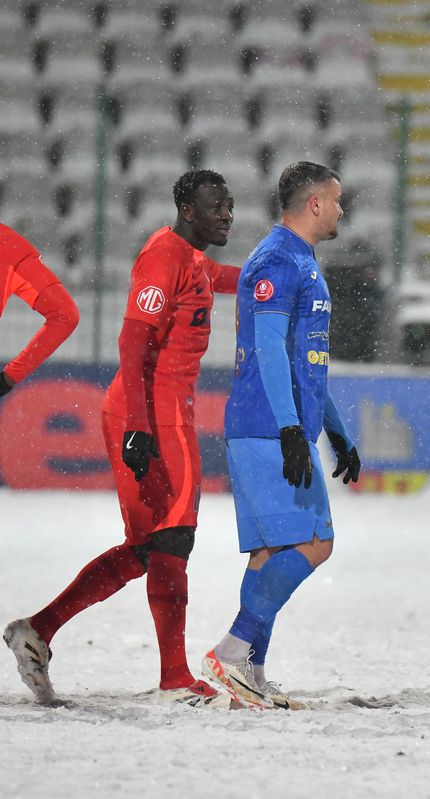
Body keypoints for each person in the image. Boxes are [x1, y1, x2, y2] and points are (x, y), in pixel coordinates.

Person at [4, 170, 238, 707]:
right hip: (154, 414)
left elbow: (217, 276)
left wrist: (270, 278)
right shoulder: (165, 257)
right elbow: (131, 343)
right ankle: (176, 678)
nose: (227, 213)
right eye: (215, 205)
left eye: (229, 204)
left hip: (153, 411)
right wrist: (137, 424)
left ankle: (37, 629)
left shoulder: (191, 257)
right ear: (187, 210)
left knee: (145, 547)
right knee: (174, 538)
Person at [202, 161, 360, 711]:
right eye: (337, 200)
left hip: (278, 425)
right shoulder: (276, 259)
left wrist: (336, 432)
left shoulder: (299, 259)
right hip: (268, 427)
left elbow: (305, 360)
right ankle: (233, 649)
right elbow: (268, 350)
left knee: (270, 553)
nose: (343, 210)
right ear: (314, 203)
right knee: (316, 542)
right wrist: (292, 430)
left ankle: (251, 673)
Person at [0, 224, 79, 399]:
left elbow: (65, 316)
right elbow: (65, 316)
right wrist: (9, 377)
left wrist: (10, 377)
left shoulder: (8, 246)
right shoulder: (9, 244)